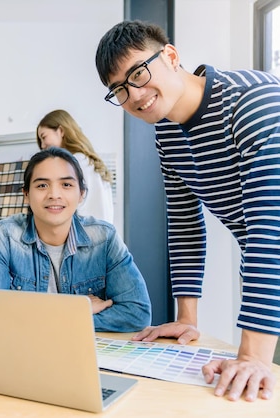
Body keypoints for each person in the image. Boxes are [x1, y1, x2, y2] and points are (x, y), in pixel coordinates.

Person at [95, 20, 280, 401]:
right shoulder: (167, 132)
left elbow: (271, 229)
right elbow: (185, 225)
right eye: (119, 89)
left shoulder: (252, 103)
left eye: (138, 74)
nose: (135, 95)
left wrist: (251, 356)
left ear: (171, 56)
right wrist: (187, 320)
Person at [0, 147, 151, 332]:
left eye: (66, 185)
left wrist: (39, 319)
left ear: (81, 194)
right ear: (26, 194)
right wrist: (72, 311)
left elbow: (136, 313)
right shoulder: (3, 237)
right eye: (42, 185)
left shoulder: (104, 238)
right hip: (23, 351)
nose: (54, 195)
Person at [36, 109, 114, 223]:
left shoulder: (75, 162)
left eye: (44, 137)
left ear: (61, 131)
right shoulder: (88, 160)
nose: (42, 145)